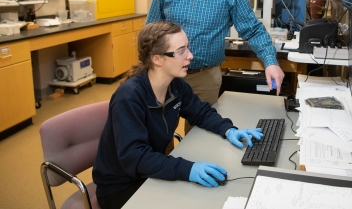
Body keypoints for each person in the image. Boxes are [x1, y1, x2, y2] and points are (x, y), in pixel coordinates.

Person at [92, 21, 263, 209]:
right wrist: (188, 169)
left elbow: (201, 112)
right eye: (181, 51)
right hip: (120, 186)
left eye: (187, 48)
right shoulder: (129, 97)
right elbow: (135, 157)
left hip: (147, 173)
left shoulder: (175, 85)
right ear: (157, 59)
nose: (190, 56)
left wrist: (228, 129)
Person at [146, 0, 285, 136]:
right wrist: (145, 71)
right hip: (166, 74)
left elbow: (253, 29)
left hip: (204, 77)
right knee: (158, 133)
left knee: (199, 136)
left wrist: (270, 62)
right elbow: (151, 31)